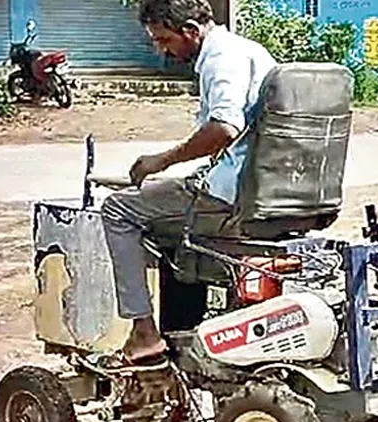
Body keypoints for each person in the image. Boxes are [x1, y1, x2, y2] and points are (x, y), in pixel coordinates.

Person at [100, 0, 277, 365]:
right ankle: (185, 330)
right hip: (273, 192)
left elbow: (224, 127)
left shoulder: (219, 59)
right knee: (168, 215)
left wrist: (160, 161)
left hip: (231, 197)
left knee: (118, 209)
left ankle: (145, 333)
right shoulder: (250, 50)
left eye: (164, 40)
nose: (160, 50)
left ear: (191, 32)